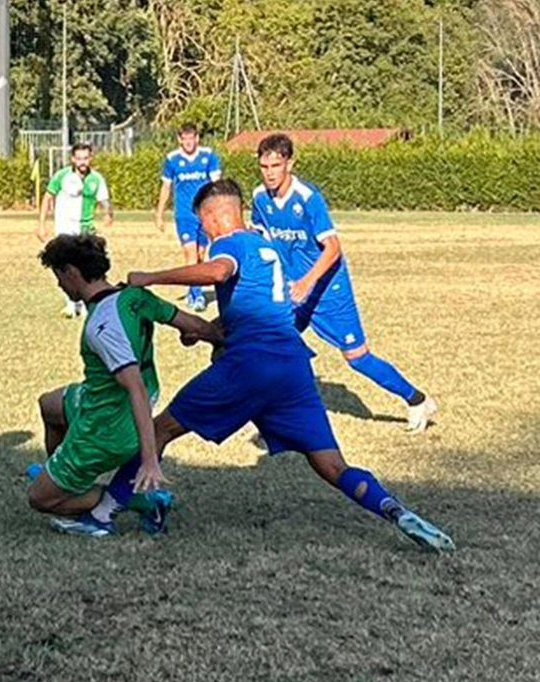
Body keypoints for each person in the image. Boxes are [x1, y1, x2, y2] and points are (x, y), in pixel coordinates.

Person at [124, 178, 455, 552]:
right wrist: (207, 330)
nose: (203, 230)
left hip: (249, 367)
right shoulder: (266, 247)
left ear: (215, 216)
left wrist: (150, 277)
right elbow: (258, 310)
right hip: (293, 369)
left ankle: (109, 507)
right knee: (333, 466)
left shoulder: (228, 243)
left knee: (158, 429)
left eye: (203, 221)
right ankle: (394, 510)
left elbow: (217, 272)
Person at [26, 233, 222, 537]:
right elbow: (194, 325)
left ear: (71, 272)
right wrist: (218, 339)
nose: (59, 286)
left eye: (58, 276)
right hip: (98, 397)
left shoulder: (102, 326)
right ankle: (63, 478)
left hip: (106, 426)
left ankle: (139, 501)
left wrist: (148, 459)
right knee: (49, 405)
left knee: (38, 499)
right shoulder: (133, 296)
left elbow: (135, 389)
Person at [251, 134, 436, 432]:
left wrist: (307, 282)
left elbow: (333, 248)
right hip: (294, 290)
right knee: (269, 339)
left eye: (276, 165)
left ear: (290, 163)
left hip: (328, 289)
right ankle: (274, 406)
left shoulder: (308, 199)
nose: (270, 172)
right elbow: (261, 238)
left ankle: (416, 399)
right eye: (264, 166)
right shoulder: (260, 197)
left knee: (357, 357)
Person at [36, 142, 114, 319]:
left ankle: (88, 303)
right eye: (78, 158)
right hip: (64, 228)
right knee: (65, 266)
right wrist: (41, 223)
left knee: (87, 266)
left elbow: (104, 200)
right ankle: (71, 304)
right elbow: (48, 197)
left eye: (85, 158)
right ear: (72, 159)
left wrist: (108, 215)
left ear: (91, 158)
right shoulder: (62, 176)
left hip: (86, 229)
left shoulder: (96, 179)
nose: (82, 162)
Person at [154, 124, 222, 312]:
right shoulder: (172, 159)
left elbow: (217, 186)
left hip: (205, 213)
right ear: (179, 139)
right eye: (185, 138)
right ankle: (198, 296)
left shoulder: (208, 156)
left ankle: (194, 288)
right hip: (184, 214)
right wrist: (159, 213)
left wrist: (218, 210)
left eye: (191, 137)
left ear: (197, 138)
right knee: (191, 254)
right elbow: (166, 187)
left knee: (201, 255)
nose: (189, 142)